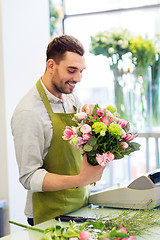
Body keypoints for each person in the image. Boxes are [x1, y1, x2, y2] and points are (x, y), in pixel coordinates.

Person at [11, 35, 105, 226]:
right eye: (72, 71)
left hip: (80, 206)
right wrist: (80, 179)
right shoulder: (29, 112)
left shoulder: (71, 99)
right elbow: (29, 177)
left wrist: (92, 120)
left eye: (81, 71)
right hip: (49, 215)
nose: (78, 78)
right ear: (51, 65)